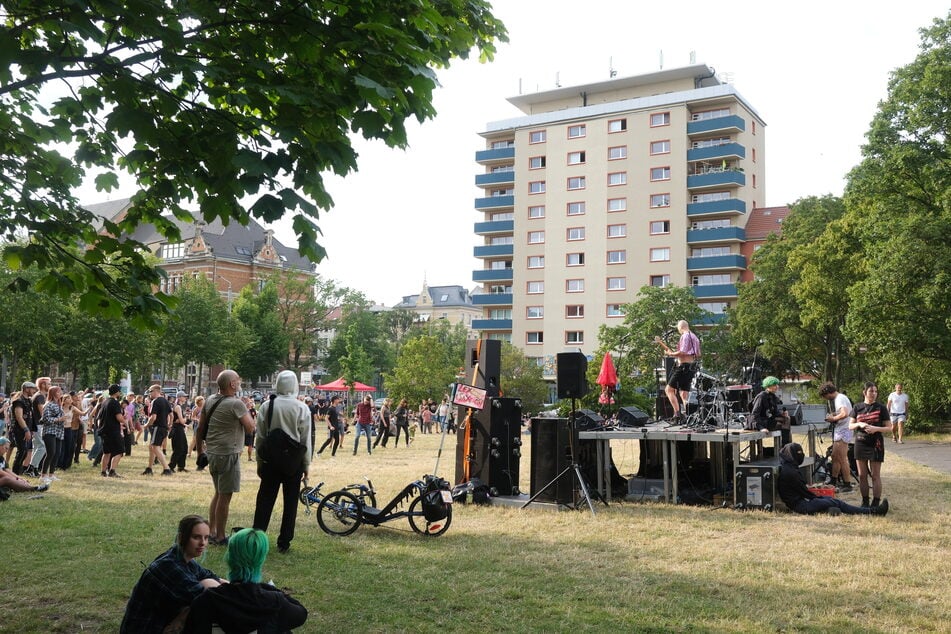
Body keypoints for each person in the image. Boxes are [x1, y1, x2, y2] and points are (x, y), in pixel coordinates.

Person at [184, 528, 307, 633]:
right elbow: (301, 614)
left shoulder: (206, 600)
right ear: (261, 560)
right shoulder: (275, 602)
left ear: (229, 557)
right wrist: (268, 588)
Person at [120, 515, 224, 634]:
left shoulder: (182, 558)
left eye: (206, 538)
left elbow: (211, 577)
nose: (203, 543)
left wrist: (237, 588)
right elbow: (212, 599)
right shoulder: (169, 567)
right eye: (196, 537)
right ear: (181, 537)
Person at [252, 370, 311, 554]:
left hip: (270, 461)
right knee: (291, 502)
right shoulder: (302, 408)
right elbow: (305, 440)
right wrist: (306, 465)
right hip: (293, 462)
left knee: (264, 500)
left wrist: (259, 461)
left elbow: (260, 437)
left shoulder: (267, 406)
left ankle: (257, 537)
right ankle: (284, 541)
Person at [195, 369, 254, 546]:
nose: (240, 382)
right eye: (238, 380)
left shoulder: (210, 400)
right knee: (225, 496)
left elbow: (200, 429)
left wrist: (199, 452)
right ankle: (219, 536)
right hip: (228, 454)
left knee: (218, 493)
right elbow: (251, 427)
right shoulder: (236, 404)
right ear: (232, 384)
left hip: (212, 453)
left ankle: (212, 531)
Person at [777, 442, 887, 516]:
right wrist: (820, 498)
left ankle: (830, 509)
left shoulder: (789, 467)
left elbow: (803, 490)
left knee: (831, 502)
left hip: (802, 501)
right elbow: (806, 493)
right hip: (800, 505)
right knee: (837, 502)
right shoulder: (790, 472)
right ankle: (871, 512)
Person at [851, 381, 893, 508]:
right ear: (864, 392)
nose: (874, 394)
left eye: (875, 391)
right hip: (860, 442)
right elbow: (850, 425)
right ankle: (865, 501)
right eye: (871, 391)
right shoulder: (857, 407)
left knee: (875, 475)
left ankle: (875, 502)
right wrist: (859, 424)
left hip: (876, 443)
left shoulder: (881, 408)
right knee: (862, 475)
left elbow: (890, 428)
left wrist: (876, 429)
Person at [662, 320, 701, 423]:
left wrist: (671, 354)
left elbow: (682, 352)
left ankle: (677, 415)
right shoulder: (694, 337)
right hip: (692, 367)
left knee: (668, 390)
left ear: (680, 327)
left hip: (684, 367)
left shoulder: (685, 336)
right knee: (684, 394)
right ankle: (689, 417)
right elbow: (698, 354)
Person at [819, 382, 854, 491]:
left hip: (844, 430)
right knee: (835, 456)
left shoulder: (839, 398)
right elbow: (842, 412)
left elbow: (844, 413)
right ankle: (833, 480)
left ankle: (847, 484)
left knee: (842, 458)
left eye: (825, 396)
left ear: (827, 393)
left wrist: (832, 419)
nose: (826, 399)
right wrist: (834, 414)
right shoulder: (840, 398)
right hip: (841, 430)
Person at [143, 384, 175, 476]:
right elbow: (171, 415)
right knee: (152, 447)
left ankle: (167, 469)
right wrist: (169, 425)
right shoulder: (166, 401)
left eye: (150, 391)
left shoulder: (155, 401)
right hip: (163, 428)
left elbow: (153, 417)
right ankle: (149, 468)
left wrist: (146, 425)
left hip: (157, 427)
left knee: (155, 447)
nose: (149, 394)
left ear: (156, 391)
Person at [749, 376, 791, 444]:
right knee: (782, 426)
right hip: (759, 422)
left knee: (787, 418)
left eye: (777, 384)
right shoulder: (761, 396)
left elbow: (774, 412)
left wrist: (782, 414)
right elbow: (754, 414)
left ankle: (786, 446)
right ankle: (785, 446)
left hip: (768, 420)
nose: (777, 386)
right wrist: (761, 428)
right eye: (774, 385)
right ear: (768, 386)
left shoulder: (773, 397)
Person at [100, 384, 128, 478]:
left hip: (104, 430)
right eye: (119, 391)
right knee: (120, 451)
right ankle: (112, 471)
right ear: (116, 392)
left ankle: (103, 472)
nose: (120, 393)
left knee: (106, 452)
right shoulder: (115, 402)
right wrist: (125, 421)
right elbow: (119, 417)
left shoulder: (105, 401)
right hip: (113, 430)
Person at [10, 382, 38, 475]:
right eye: (32, 389)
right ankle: (15, 474)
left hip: (27, 429)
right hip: (19, 430)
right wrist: (26, 430)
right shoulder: (19, 401)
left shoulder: (29, 401)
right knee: (21, 451)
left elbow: (30, 416)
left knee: (25, 452)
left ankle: (19, 473)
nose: (34, 391)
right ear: (26, 389)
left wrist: (31, 429)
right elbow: (19, 417)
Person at [169, 391, 190, 472]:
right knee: (179, 448)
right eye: (184, 396)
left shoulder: (179, 407)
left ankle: (181, 467)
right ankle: (171, 466)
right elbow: (181, 420)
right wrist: (186, 419)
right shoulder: (177, 407)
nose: (185, 398)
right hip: (177, 429)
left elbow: (180, 421)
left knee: (184, 448)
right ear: (179, 397)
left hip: (179, 428)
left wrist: (184, 421)